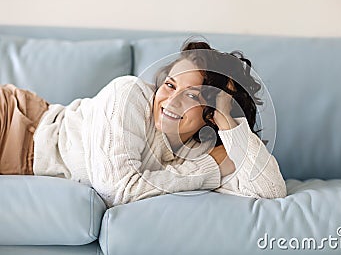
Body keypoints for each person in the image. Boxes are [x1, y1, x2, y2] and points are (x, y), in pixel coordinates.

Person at [0, 38, 287, 207]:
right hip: (16, 123)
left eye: (191, 96)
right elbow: (117, 189)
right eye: (170, 85)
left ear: (211, 114)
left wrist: (229, 119)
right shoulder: (130, 95)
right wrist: (209, 168)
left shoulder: (203, 147)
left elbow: (270, 191)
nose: (171, 101)